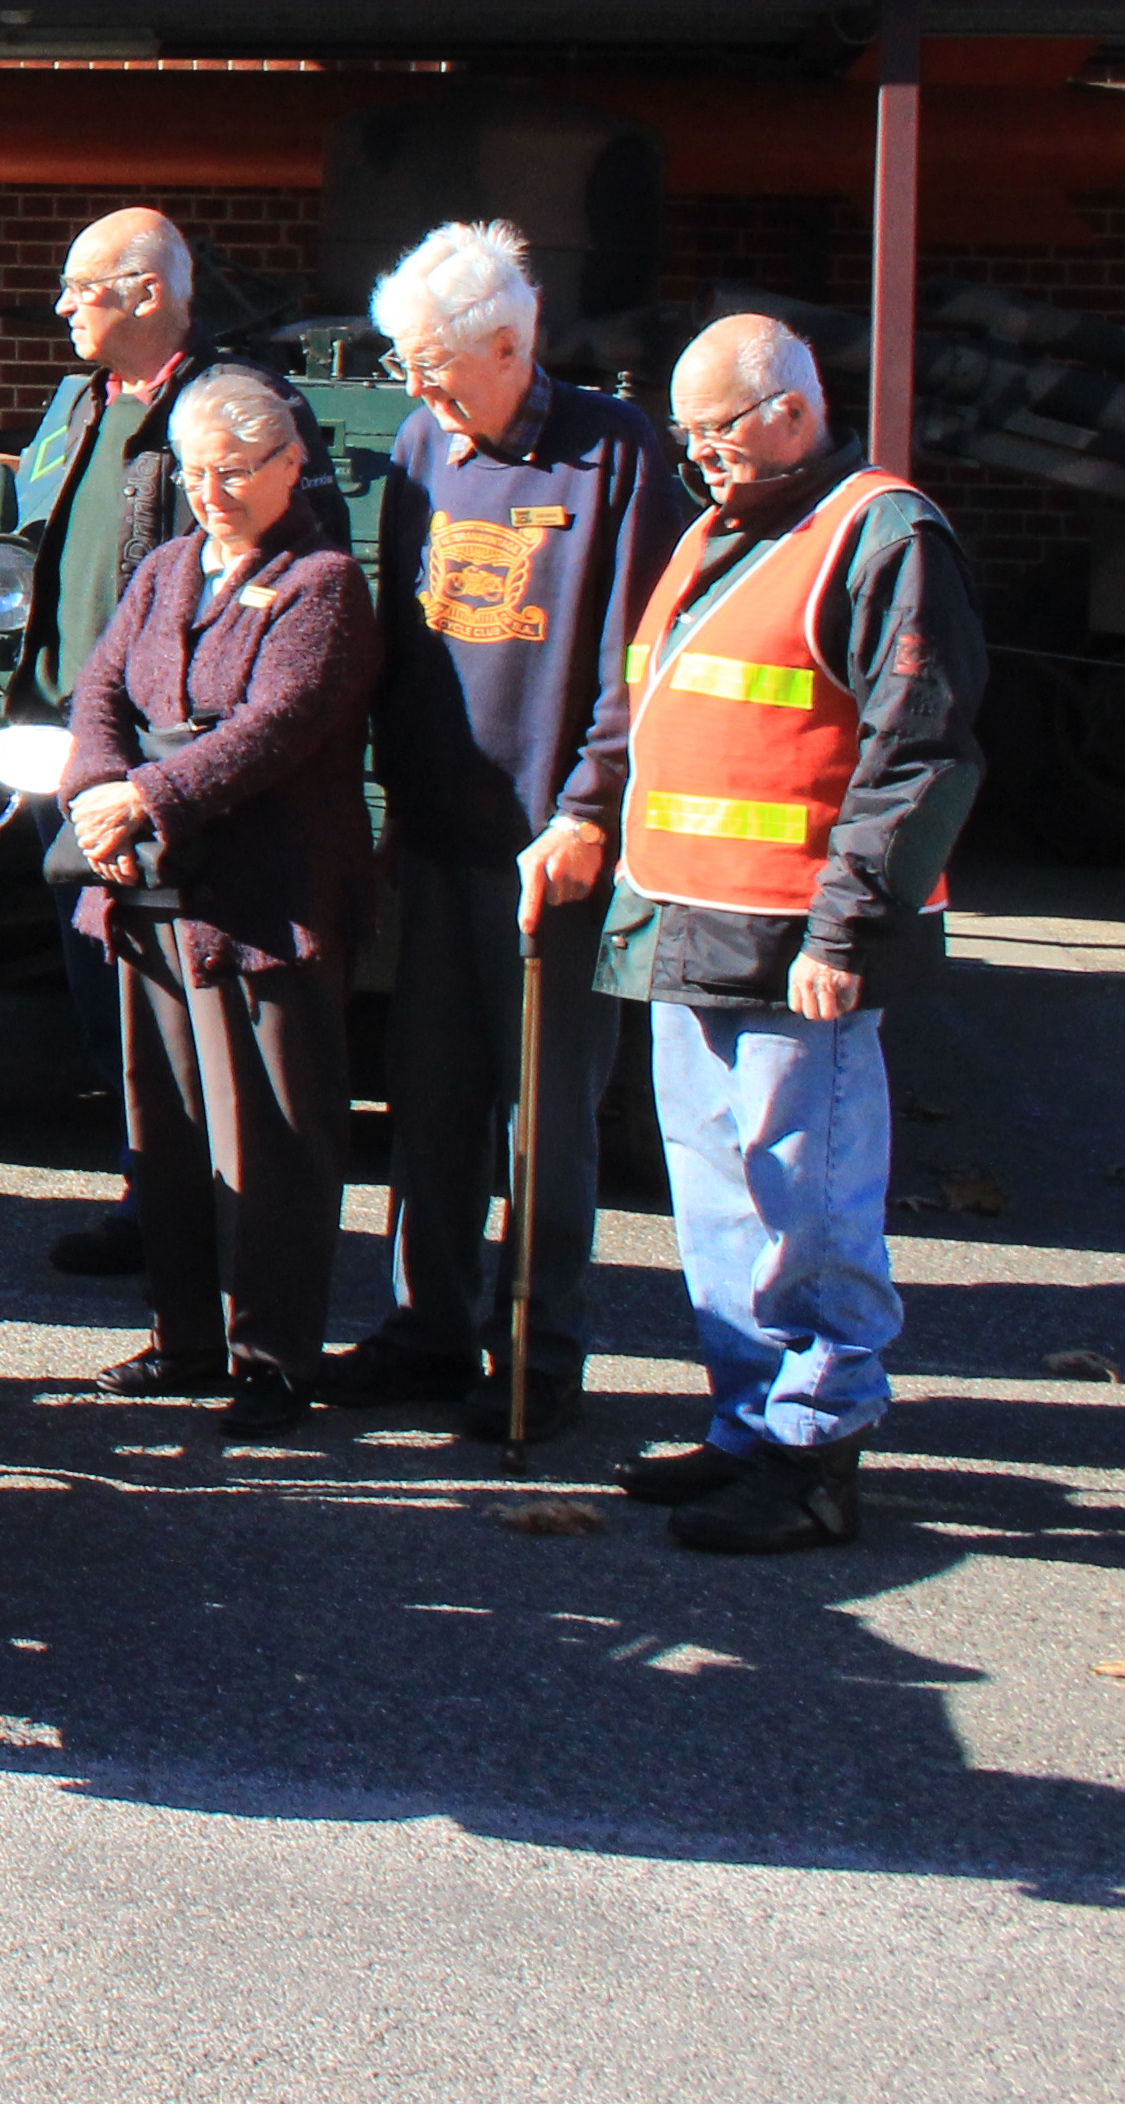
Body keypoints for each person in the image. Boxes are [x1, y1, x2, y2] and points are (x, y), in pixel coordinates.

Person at [608, 315, 985, 1557]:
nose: (704, 457)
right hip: (690, 919)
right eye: (690, 435)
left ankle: (817, 1451)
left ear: (792, 407)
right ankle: (748, 1426)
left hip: (793, 939)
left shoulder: (882, 532)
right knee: (719, 1198)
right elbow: (645, 701)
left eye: (720, 431)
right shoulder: (723, 530)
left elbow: (916, 748)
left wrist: (847, 932)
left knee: (806, 1205)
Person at [330, 218, 681, 1439]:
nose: (412, 388)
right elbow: (405, 640)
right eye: (404, 365)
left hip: (552, 847)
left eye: (428, 362)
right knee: (431, 1100)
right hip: (439, 833)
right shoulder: (428, 441)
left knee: (544, 1119)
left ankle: (538, 1355)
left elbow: (642, 664)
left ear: (505, 344)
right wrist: (388, 803)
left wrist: (589, 814)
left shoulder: (614, 453)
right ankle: (425, 1332)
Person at [60, 365, 382, 1434]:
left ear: (292, 465)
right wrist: (101, 794)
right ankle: (185, 1338)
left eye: (238, 471)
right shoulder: (165, 571)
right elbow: (99, 693)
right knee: (168, 1127)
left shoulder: (323, 584)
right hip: (151, 892)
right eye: (198, 472)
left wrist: (145, 796)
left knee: (274, 1140)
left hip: (264, 901)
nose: (213, 493)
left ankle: (275, 1362)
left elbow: (277, 728)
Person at [14, 206, 251, 1281]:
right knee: (94, 968)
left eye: (82, 287)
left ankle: (195, 1214)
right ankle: (148, 1185)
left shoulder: (225, 414)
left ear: (148, 294)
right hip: (68, 739)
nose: (62, 307)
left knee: (165, 979)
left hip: (157, 751)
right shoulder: (79, 404)